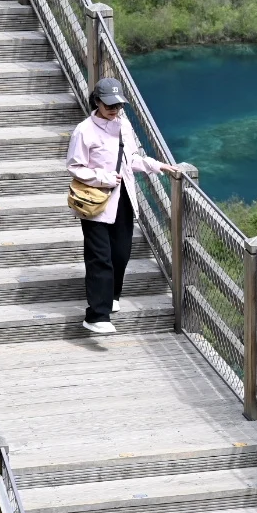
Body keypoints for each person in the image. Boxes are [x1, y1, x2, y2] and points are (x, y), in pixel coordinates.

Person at [66, 77, 180, 335]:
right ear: (97, 102)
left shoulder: (124, 125)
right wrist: (104, 178)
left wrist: (158, 166)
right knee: (100, 257)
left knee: (121, 253)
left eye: (118, 105)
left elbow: (131, 159)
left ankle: (112, 295)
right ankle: (97, 315)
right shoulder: (84, 131)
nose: (114, 110)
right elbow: (74, 166)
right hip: (95, 201)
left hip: (123, 198)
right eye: (109, 105)